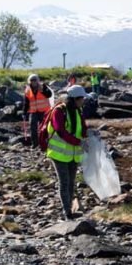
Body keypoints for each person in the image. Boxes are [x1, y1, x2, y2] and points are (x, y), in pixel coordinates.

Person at [47, 85, 88, 220]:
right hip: (59, 154)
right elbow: (60, 131)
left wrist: (89, 136)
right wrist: (78, 142)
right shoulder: (59, 111)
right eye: (82, 99)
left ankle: (69, 209)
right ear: (75, 99)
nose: (83, 101)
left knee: (71, 182)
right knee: (64, 182)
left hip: (73, 154)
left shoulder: (77, 110)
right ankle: (67, 212)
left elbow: (82, 128)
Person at [22, 74, 53, 149]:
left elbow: (49, 94)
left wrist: (43, 91)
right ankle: (35, 144)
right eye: (32, 80)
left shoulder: (43, 86)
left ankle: (44, 143)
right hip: (33, 112)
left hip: (44, 111)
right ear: (29, 81)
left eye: (35, 80)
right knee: (33, 127)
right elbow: (26, 102)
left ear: (37, 80)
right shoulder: (27, 90)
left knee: (44, 128)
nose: (33, 82)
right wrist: (24, 113)